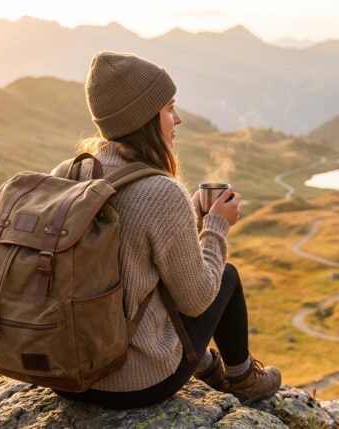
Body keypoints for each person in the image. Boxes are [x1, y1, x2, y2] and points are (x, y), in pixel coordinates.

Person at [50, 51, 281, 409]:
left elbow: (125, 256)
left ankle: (208, 366)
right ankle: (243, 378)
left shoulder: (68, 172)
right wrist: (217, 225)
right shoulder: (160, 190)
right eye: (169, 108)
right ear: (144, 118)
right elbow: (198, 298)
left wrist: (186, 217)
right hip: (135, 383)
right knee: (228, 278)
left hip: (64, 375)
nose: (178, 118)